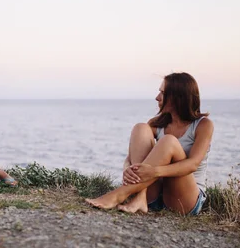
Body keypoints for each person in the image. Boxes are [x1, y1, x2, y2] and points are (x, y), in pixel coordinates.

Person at [86, 72, 213, 215]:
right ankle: (140, 198)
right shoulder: (157, 123)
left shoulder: (203, 125)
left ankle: (120, 194)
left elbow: (193, 164)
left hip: (184, 199)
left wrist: (154, 172)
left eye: (162, 93)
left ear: (178, 97)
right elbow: (132, 156)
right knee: (140, 128)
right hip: (154, 195)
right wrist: (128, 168)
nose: (157, 97)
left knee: (168, 141)